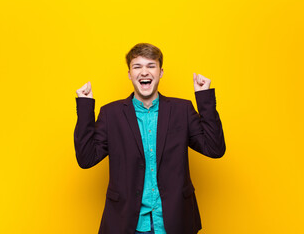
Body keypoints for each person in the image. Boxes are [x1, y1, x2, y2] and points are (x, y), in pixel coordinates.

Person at [74, 43, 226, 234]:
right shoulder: (110, 114)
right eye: (137, 67)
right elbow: (86, 159)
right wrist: (85, 107)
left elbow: (215, 148)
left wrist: (204, 98)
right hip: (128, 223)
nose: (144, 72)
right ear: (129, 74)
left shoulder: (182, 110)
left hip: (174, 221)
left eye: (151, 66)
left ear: (161, 72)